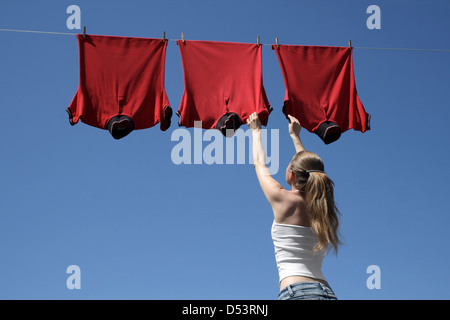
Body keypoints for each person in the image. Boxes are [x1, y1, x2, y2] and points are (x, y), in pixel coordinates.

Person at [247, 112, 341, 300]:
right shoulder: (322, 208)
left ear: (291, 175)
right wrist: (295, 136)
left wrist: (256, 131)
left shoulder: (283, 199)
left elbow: (259, 164)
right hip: (326, 292)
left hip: (297, 292)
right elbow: (311, 169)